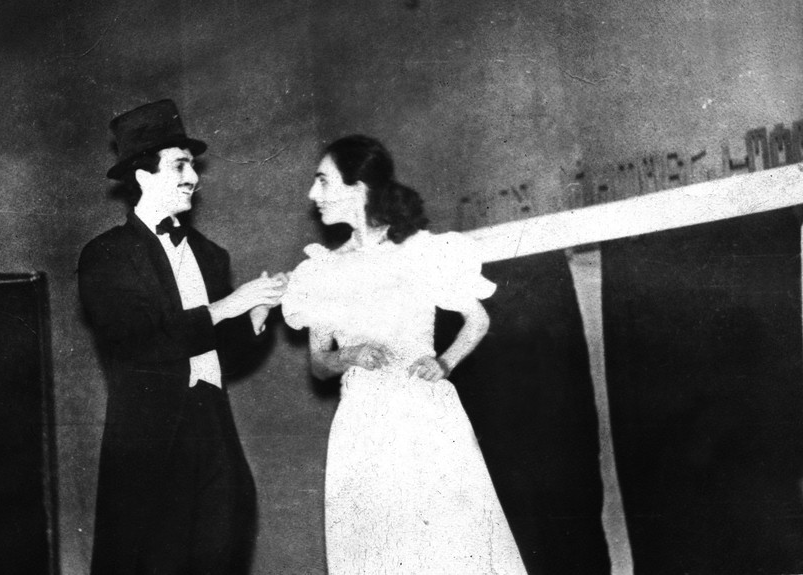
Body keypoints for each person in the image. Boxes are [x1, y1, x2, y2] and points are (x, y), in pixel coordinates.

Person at [282, 135, 526, 574]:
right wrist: (348, 355)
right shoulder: (321, 271)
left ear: (357, 188)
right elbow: (319, 364)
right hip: (362, 422)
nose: (313, 194)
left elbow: (477, 320)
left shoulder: (420, 251)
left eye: (323, 180)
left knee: (445, 543)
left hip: (423, 416)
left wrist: (444, 362)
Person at [78, 99, 286, 575]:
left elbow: (227, 354)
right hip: (148, 443)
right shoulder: (106, 255)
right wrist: (226, 307)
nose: (194, 177)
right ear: (143, 175)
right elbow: (136, 341)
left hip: (212, 428)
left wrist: (254, 317)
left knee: (222, 549)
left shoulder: (211, 255)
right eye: (180, 165)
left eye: (193, 166)